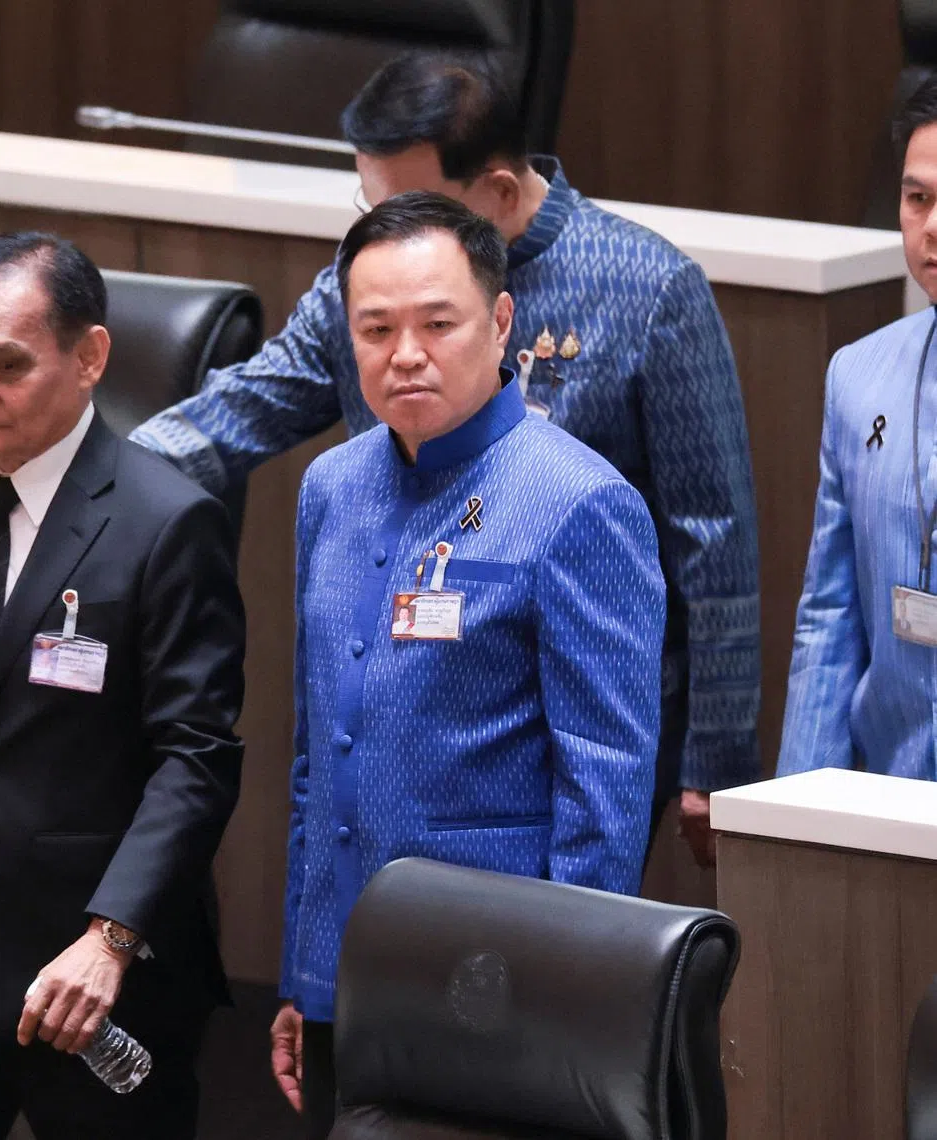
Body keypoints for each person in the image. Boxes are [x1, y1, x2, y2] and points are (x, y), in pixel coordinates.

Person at [131, 53, 760, 867]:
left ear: (498, 193)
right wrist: (96, 483)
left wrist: (719, 760)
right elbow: (238, 412)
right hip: (397, 712)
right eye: (372, 205)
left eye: (409, 207)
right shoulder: (370, 277)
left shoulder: (648, 288)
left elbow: (714, 540)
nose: (386, 235)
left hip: (567, 717)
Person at [270, 191, 666, 1137]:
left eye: (436, 323)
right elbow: (314, 755)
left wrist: (566, 1002)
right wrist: (301, 972)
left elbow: (604, 793)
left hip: (495, 983)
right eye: (375, 328)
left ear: (499, 323)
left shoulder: (578, 503)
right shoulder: (332, 485)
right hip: (344, 974)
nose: (405, 353)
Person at [0, 232, 245, 1138]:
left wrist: (111, 940)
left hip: (87, 975)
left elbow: (197, 761)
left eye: (7, 366)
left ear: (89, 357)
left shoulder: (167, 522)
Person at [778, 76, 937, 777]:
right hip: (888, 791)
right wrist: (800, 812)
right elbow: (830, 616)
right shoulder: (859, 375)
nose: (930, 226)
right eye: (917, 199)